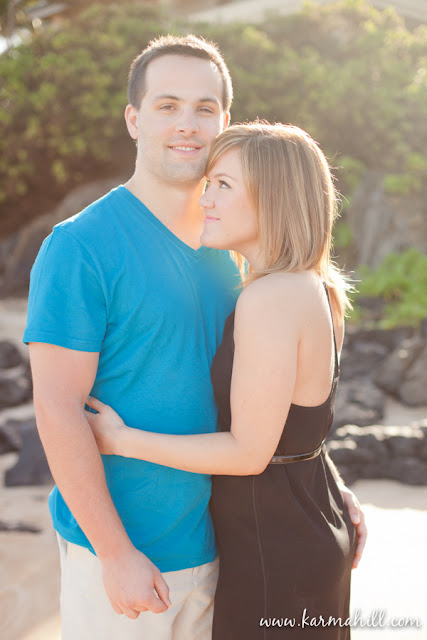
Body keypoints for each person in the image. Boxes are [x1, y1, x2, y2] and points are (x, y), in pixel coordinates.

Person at [23, 33, 365, 639]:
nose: (188, 124)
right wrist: (116, 553)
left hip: (228, 550)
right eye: (167, 105)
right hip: (132, 557)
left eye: (205, 108)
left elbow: (273, 397)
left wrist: (323, 481)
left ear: (224, 122)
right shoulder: (80, 247)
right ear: (133, 119)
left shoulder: (234, 249)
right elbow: (55, 406)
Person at [86, 122, 363, 639]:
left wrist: (122, 441)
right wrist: (336, 485)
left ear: (273, 199)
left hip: (274, 553)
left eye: (223, 185)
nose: (205, 198)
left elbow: (248, 453)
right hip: (306, 526)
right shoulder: (317, 287)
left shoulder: (269, 299)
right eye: (208, 182)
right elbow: (302, 423)